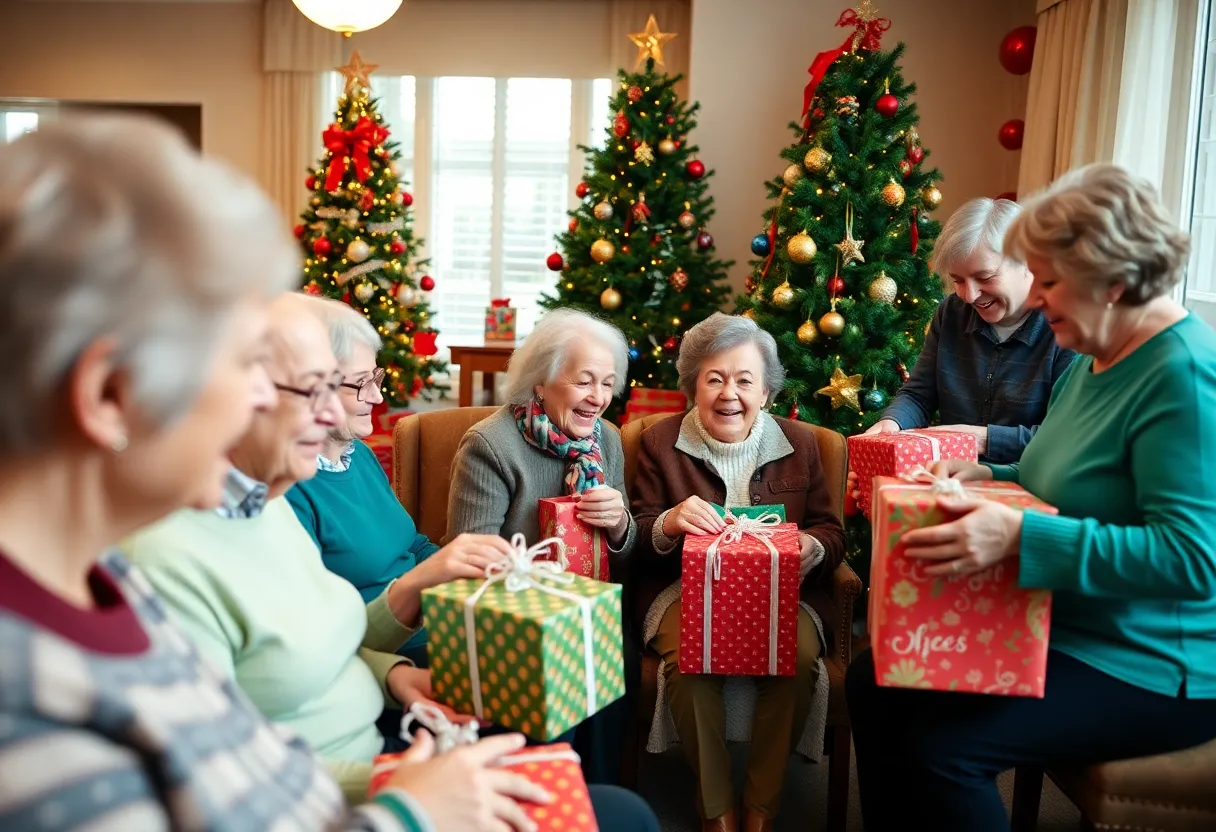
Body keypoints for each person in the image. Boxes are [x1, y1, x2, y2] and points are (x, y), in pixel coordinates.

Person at [0, 115, 551, 832]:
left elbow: (247, 762)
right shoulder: (32, 708)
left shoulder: (109, 581)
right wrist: (410, 810)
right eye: (240, 365)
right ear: (109, 396)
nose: (267, 401)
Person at [125, 292, 660, 831]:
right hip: (358, 787)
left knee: (619, 796)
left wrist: (392, 675)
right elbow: (222, 775)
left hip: (383, 738)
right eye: (317, 388)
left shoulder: (270, 506)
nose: (348, 408)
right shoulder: (174, 555)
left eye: (347, 385)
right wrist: (403, 788)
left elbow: (329, 636)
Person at [846, 163, 1216, 832]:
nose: (1038, 301)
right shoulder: (1099, 354)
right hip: (1062, 623)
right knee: (875, 681)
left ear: (1113, 279)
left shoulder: (1180, 374)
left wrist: (1020, 536)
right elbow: (1052, 468)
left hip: (1152, 662)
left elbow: (1193, 558)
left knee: (946, 750)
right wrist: (986, 475)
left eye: (1048, 282)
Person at [631, 312, 846, 832]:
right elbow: (635, 534)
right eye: (714, 379)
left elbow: (832, 531)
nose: (729, 393)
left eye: (745, 380)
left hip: (783, 592)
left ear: (766, 392)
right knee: (689, 666)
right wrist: (669, 521)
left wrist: (810, 547)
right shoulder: (659, 442)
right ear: (693, 387)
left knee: (797, 658)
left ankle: (761, 807)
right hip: (684, 590)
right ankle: (717, 808)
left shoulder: (802, 443)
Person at [446, 307, 637, 786]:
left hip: (588, 609)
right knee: (559, 665)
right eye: (583, 381)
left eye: (607, 383)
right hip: (515, 612)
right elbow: (467, 560)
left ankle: (597, 796)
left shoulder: (607, 441)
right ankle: (551, 794)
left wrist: (618, 524)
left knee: (619, 655)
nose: (598, 398)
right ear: (539, 382)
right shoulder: (491, 445)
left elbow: (626, 551)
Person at [287, 298, 515, 668]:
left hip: (433, 620)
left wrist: (469, 566)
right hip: (387, 652)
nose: (377, 396)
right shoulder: (289, 488)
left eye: (375, 378)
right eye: (361, 383)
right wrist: (423, 582)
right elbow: (315, 631)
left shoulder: (359, 455)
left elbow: (410, 544)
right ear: (312, 388)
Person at [849, 197, 1075, 503]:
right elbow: (919, 395)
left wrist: (978, 439)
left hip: (1032, 497)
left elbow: (1064, 438)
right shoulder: (952, 312)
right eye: (958, 280)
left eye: (985, 278)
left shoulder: (1068, 326)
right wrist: (891, 426)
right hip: (948, 489)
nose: (970, 295)